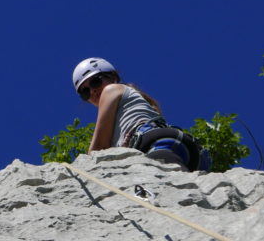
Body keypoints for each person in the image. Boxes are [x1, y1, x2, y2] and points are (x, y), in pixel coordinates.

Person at [72, 57, 209, 171]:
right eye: (85, 92)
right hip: (176, 146)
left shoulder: (111, 89)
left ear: (113, 76)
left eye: (95, 82)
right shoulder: (131, 100)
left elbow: (98, 149)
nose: (92, 91)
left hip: (155, 144)